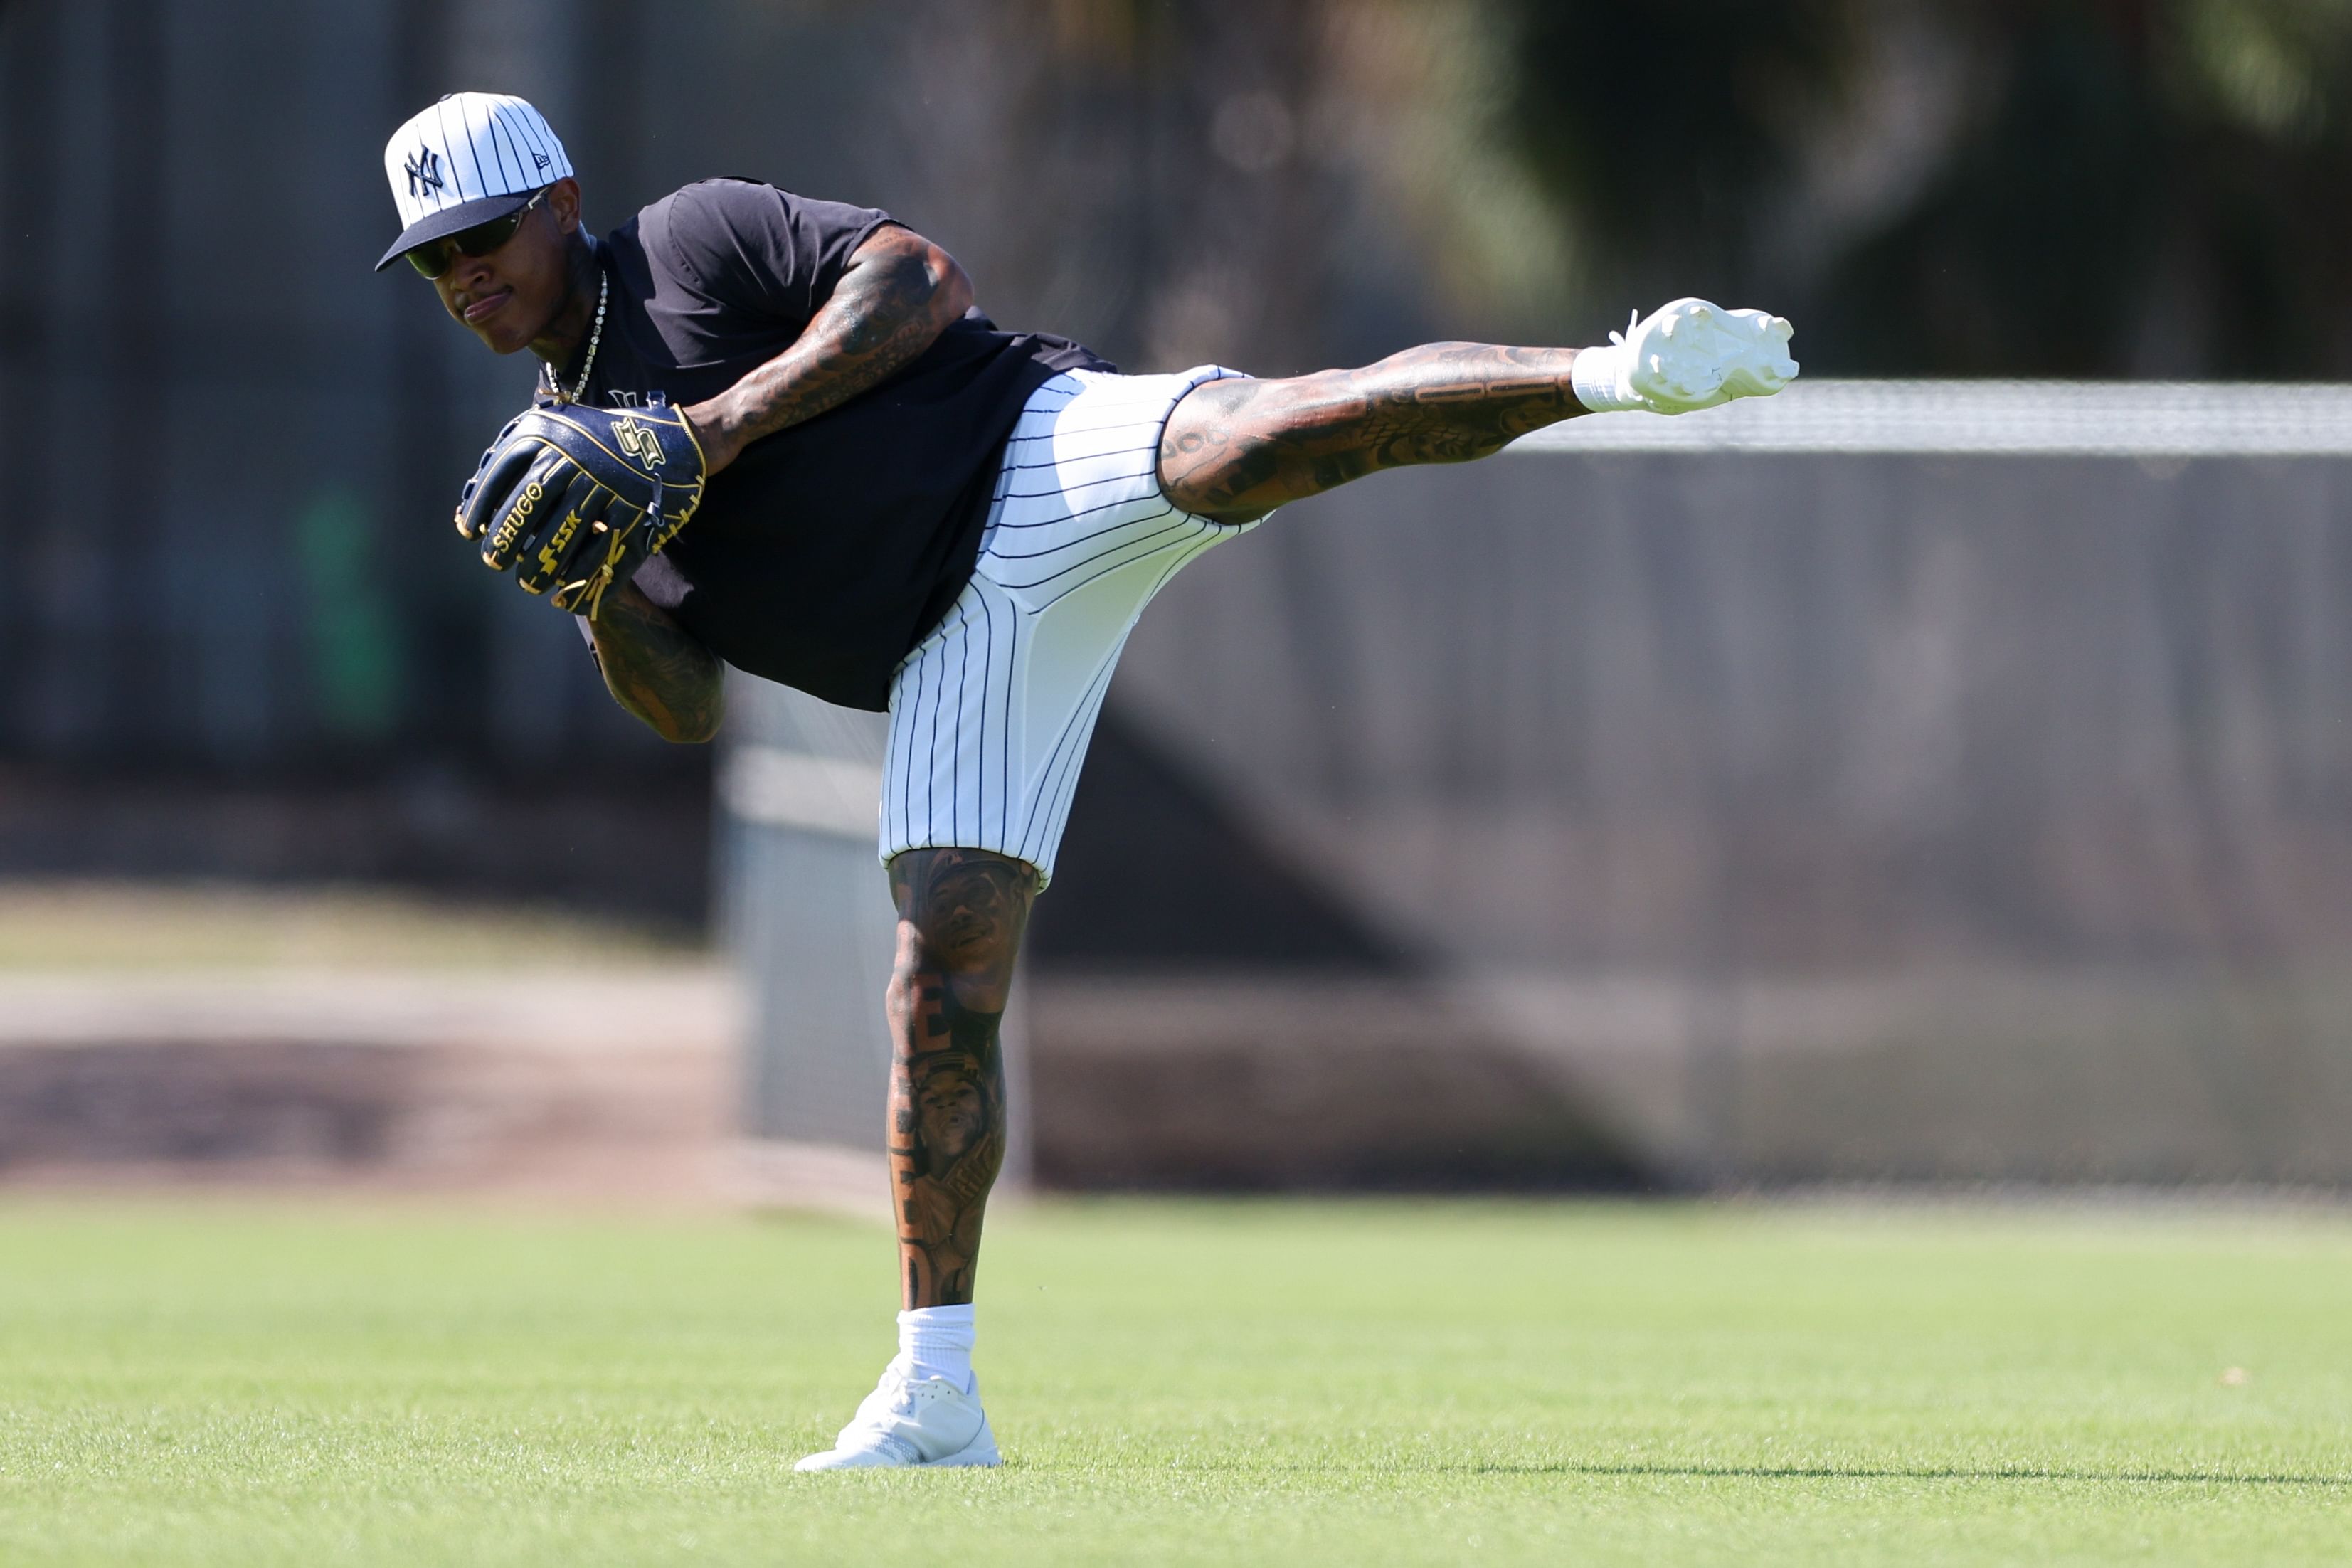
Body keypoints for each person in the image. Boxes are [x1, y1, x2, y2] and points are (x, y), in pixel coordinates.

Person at [375, 92, 1797, 1470]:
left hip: (1029, 455)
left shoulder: (691, 241)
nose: (464, 273)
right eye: (434, 258)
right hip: (947, 656)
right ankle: (937, 1394)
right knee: (940, 989)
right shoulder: (566, 463)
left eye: (482, 233)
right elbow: (686, 711)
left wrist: (720, 424)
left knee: (1257, 441)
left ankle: (1615, 373)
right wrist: (602, 594)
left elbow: (920, 280)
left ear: (560, 203)